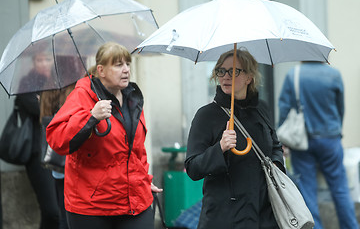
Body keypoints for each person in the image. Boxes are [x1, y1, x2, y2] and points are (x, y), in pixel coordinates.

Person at [46, 42, 162, 229]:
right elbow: (56, 139)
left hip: (134, 201)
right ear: (101, 70)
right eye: (118, 65)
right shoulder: (82, 95)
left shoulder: (133, 98)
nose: (126, 70)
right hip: (92, 206)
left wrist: (142, 181)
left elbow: (136, 150)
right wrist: (90, 117)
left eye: (127, 64)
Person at [185, 49, 285, 229]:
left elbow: (276, 147)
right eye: (221, 71)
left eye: (234, 71)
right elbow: (192, 167)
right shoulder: (206, 115)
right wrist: (220, 148)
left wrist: (276, 166)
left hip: (263, 215)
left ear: (249, 77)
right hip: (225, 218)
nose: (225, 76)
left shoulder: (261, 110)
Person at [278, 61, 358, 229]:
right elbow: (340, 107)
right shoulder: (334, 74)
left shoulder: (294, 74)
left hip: (303, 141)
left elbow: (284, 108)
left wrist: (282, 140)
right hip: (330, 139)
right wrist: (335, 130)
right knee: (340, 188)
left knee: (307, 191)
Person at [15, 50, 59, 228]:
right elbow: (42, 111)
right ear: (34, 62)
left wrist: (45, 101)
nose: (43, 63)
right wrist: (50, 104)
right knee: (52, 210)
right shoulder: (26, 83)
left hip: (58, 151)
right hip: (36, 153)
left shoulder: (58, 82)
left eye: (47, 59)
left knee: (60, 211)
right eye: (39, 60)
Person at [40, 83, 75, 229]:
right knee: (72, 216)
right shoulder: (73, 90)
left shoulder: (47, 90)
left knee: (62, 214)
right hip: (72, 164)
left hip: (57, 164)